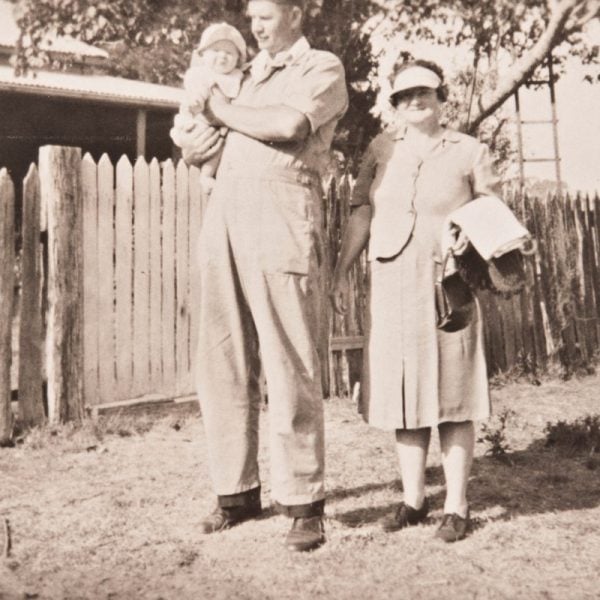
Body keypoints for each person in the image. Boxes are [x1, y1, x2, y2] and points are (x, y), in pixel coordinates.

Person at [177, 0, 348, 552]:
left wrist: (222, 108)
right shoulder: (244, 75)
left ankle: (303, 503)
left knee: (289, 358)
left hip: (281, 218)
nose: (254, 25)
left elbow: (288, 124)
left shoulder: (321, 68)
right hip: (223, 215)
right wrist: (193, 149)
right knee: (222, 357)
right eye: (251, 17)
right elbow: (207, 136)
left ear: (297, 14)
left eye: (266, 15)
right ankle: (236, 493)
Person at [330, 60, 501, 542]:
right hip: (392, 282)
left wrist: (470, 237)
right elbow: (362, 207)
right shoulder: (383, 147)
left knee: (453, 392)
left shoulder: (469, 149)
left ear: (441, 96)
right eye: (404, 96)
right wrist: (344, 268)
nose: (414, 102)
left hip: (448, 284)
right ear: (395, 105)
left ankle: (456, 505)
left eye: (423, 92)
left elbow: (492, 208)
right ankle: (412, 500)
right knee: (404, 394)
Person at [170, 22, 247, 193]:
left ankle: (207, 175)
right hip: (196, 120)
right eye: (216, 51)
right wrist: (196, 103)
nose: (222, 56)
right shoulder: (200, 73)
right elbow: (196, 93)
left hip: (222, 127)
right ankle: (204, 176)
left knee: (219, 146)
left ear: (238, 59)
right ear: (203, 54)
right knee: (202, 141)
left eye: (229, 53)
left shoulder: (237, 78)